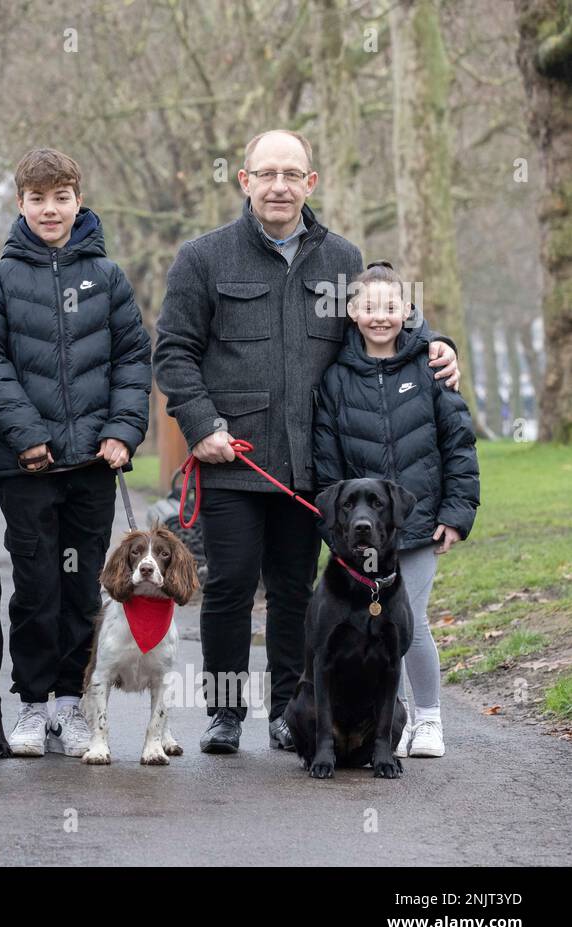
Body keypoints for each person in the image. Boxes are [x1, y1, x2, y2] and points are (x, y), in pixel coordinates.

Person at [153, 129, 461, 755]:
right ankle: (225, 713)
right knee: (233, 587)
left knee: (296, 593)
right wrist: (202, 425)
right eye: (266, 174)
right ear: (244, 181)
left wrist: (438, 342)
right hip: (232, 460)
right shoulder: (204, 258)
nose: (279, 186)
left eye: (292, 174)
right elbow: (175, 354)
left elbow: (391, 315)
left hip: (313, 469)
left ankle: (289, 714)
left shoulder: (343, 259)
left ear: (310, 183)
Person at [0, 148, 151, 757]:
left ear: (78, 200)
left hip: (95, 465)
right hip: (29, 468)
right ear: (21, 204)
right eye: (38, 199)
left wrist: (123, 429)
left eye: (61, 197)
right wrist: (27, 433)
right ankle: (32, 703)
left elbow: (131, 359)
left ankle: (73, 705)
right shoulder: (0, 281)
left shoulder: (110, 277)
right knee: (37, 586)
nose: (50, 209)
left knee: (83, 585)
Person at [313, 261, 479, 759]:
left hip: (422, 521)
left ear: (408, 310)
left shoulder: (430, 366)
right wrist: (337, 528)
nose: (380, 316)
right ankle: (394, 721)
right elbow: (328, 462)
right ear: (351, 311)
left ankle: (428, 720)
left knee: (411, 621)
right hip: (364, 534)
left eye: (391, 306)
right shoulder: (336, 379)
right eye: (369, 306)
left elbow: (459, 444)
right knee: (371, 627)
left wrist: (457, 512)